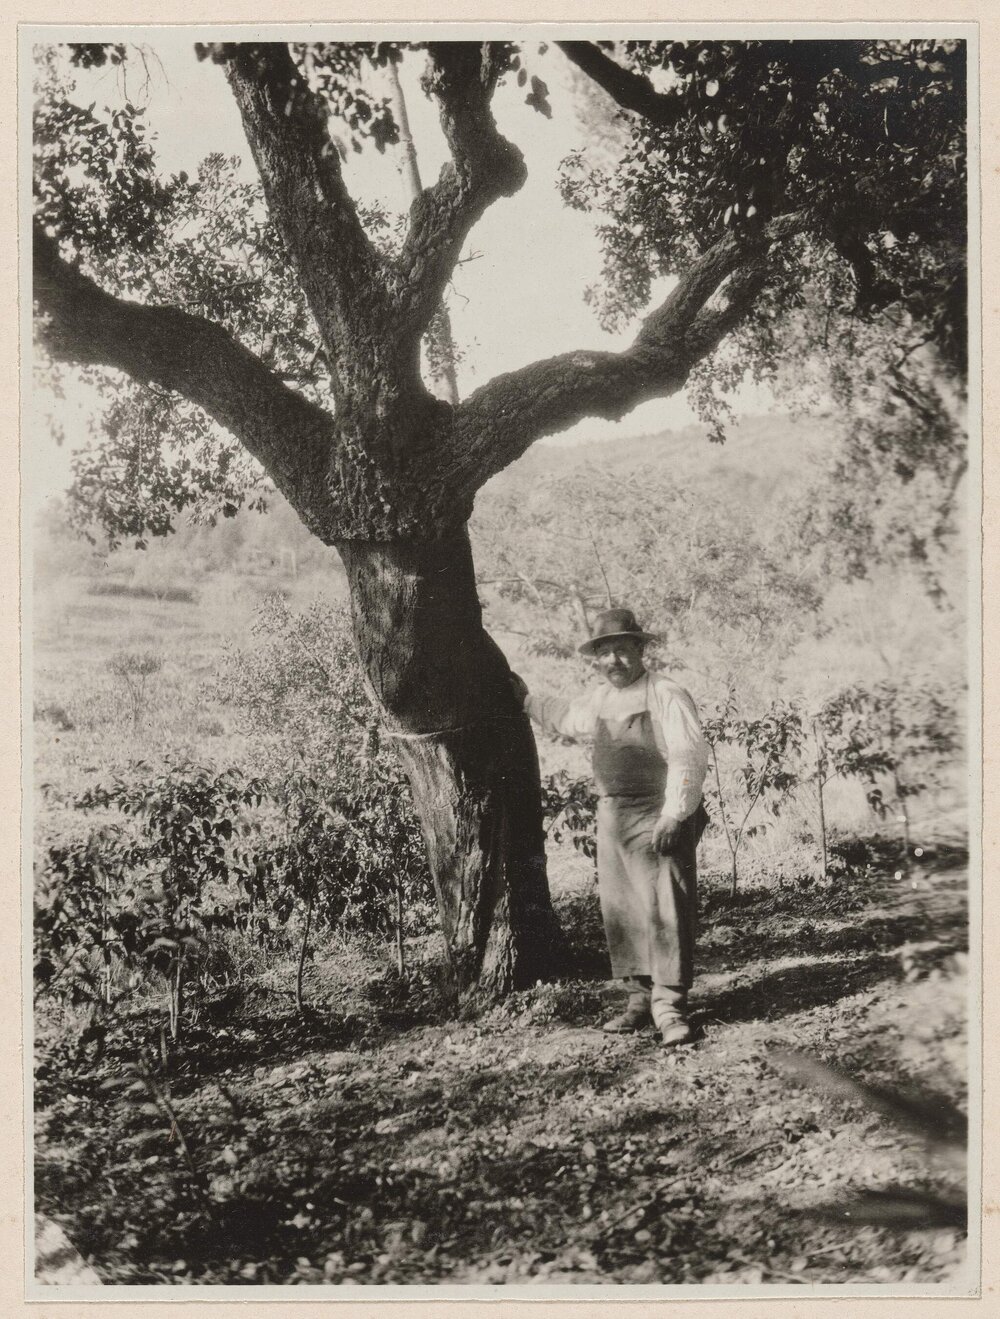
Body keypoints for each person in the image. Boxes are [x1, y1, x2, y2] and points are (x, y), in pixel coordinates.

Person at [515, 607, 709, 1046]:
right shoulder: (601, 697)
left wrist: (674, 814)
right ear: (596, 659)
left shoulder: (666, 693)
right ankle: (638, 1001)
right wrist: (526, 700)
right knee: (623, 910)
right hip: (613, 817)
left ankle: (670, 1007)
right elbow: (567, 718)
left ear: (640, 650)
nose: (614, 661)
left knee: (666, 909)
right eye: (605, 653)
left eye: (623, 650)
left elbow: (689, 757)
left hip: (657, 815)